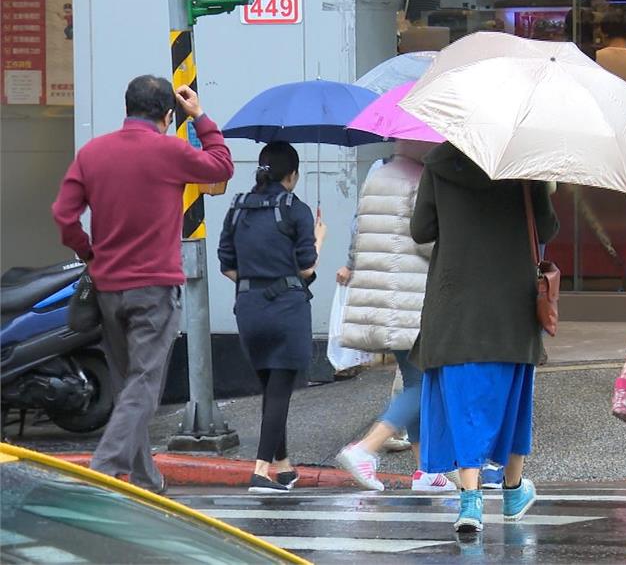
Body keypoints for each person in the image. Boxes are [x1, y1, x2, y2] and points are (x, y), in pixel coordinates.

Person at [52, 76, 233, 493]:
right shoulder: (170, 151)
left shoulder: (93, 153)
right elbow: (221, 166)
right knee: (144, 386)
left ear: (127, 107)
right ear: (168, 115)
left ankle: (147, 480)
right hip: (153, 288)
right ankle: (104, 466)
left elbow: (64, 216)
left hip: (107, 287)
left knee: (127, 384)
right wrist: (201, 116)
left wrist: (89, 252)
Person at [411, 142, 558, 532]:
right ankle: (512, 491)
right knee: (513, 396)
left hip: (454, 301)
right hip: (510, 302)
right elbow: (546, 228)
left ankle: (471, 500)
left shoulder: (439, 163)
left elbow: (421, 229)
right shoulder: (528, 161)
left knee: (462, 399)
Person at [335, 141, 456, 493]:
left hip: (381, 296)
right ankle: (366, 448)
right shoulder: (420, 181)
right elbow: (425, 242)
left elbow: (360, 235)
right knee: (425, 384)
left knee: (416, 378)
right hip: (410, 297)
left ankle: (425, 470)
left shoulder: (377, 176)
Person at [218, 141, 325, 493]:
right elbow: (307, 269)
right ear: (292, 175)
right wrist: (319, 241)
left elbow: (227, 265)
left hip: (249, 309)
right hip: (286, 310)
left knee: (270, 388)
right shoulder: (296, 209)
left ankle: (282, 465)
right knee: (279, 390)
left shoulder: (238, 206)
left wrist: (258, 283)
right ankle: (261, 471)